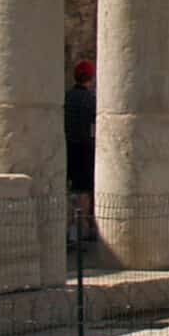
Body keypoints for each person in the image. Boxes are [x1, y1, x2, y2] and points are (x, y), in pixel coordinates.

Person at [63, 59, 96, 240]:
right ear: (90, 77)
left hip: (67, 148)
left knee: (69, 192)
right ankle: (80, 232)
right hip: (85, 151)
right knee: (83, 193)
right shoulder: (91, 100)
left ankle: (69, 232)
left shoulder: (66, 97)